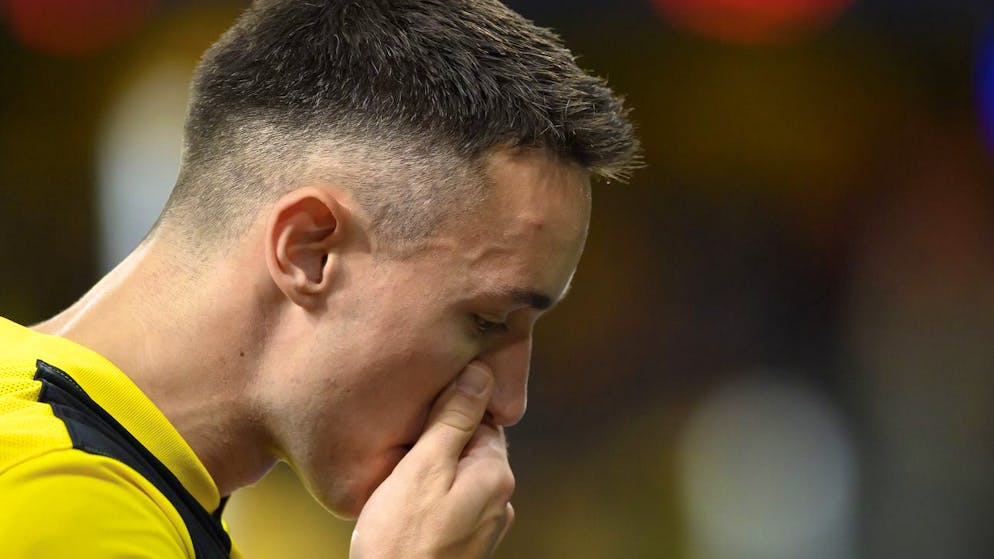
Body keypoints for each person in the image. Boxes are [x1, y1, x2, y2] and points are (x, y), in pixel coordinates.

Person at [0, 0, 639, 557]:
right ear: (309, 252)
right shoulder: (64, 504)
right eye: (487, 321)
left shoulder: (93, 471)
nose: (509, 401)